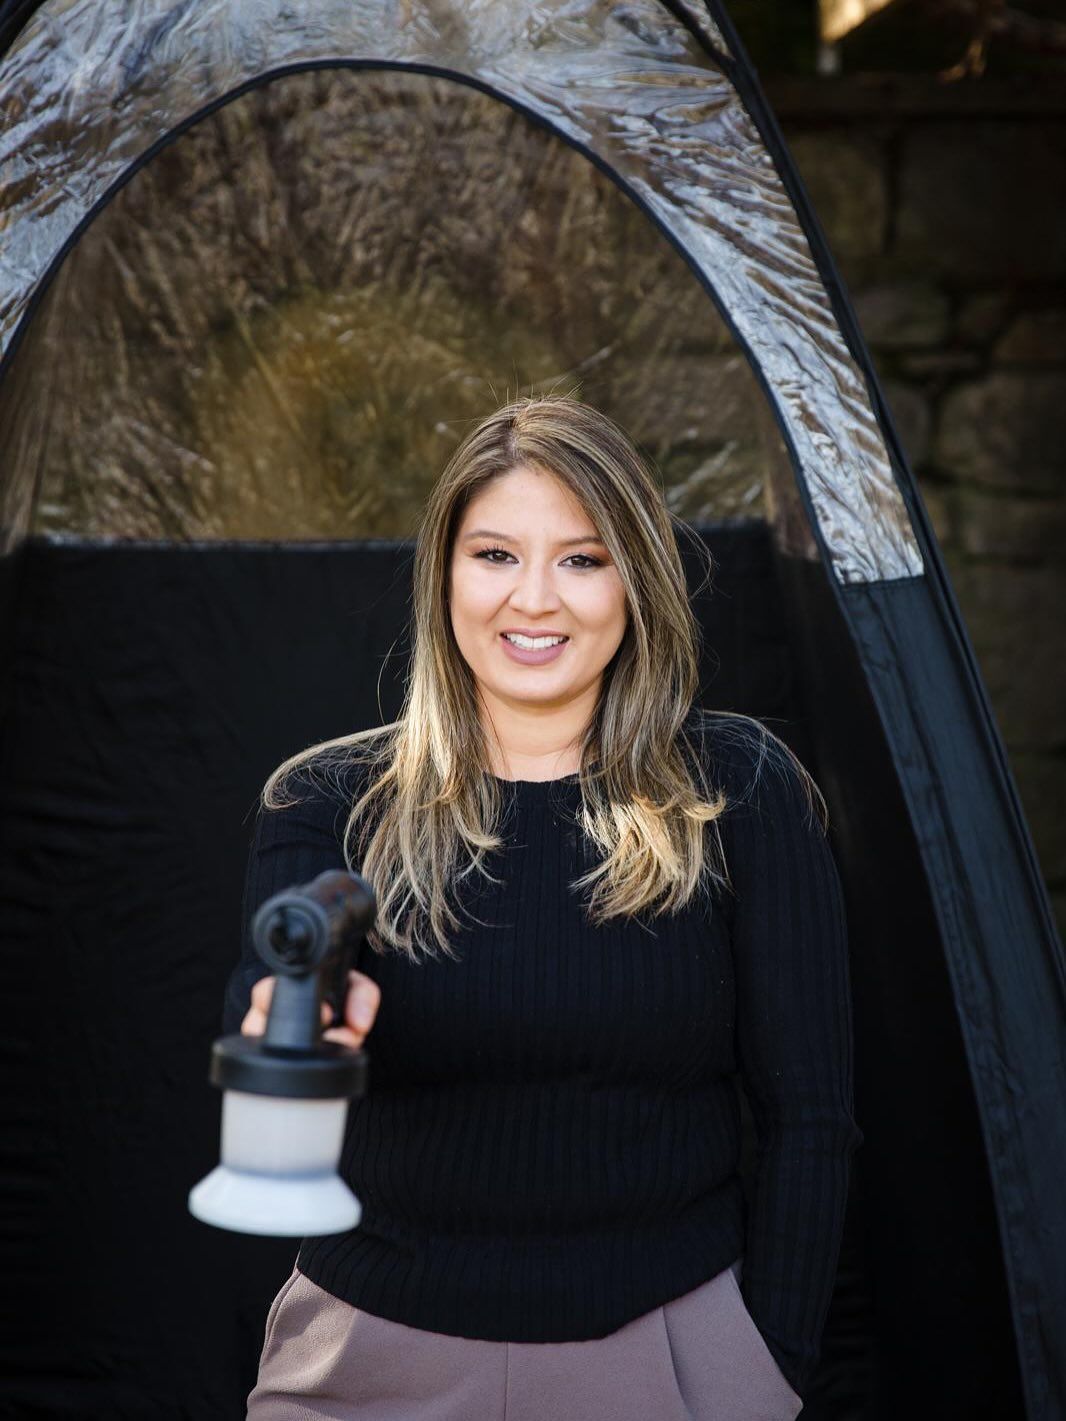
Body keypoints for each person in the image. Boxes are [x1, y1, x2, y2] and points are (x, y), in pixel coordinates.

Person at [225, 394, 863, 1420]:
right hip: (371, 1359)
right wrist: (285, 1027)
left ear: (634, 579)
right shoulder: (326, 800)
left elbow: (811, 1115)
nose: (534, 599)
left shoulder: (741, 787)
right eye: (493, 554)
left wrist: (764, 1367)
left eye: (581, 557)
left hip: (664, 1355)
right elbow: (262, 998)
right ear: (443, 575)